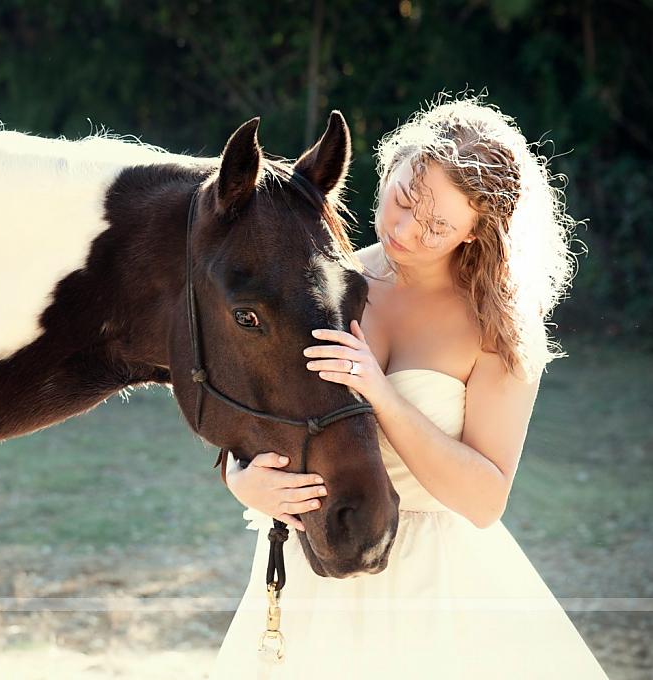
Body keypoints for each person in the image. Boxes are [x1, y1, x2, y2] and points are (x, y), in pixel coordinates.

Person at [207, 95, 609, 679]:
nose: (405, 230)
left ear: (476, 232)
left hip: (434, 586)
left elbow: (484, 499)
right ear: (389, 166)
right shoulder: (318, 281)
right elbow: (253, 411)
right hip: (311, 569)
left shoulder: (498, 328)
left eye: (437, 225)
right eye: (402, 199)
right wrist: (242, 481)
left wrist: (381, 392)